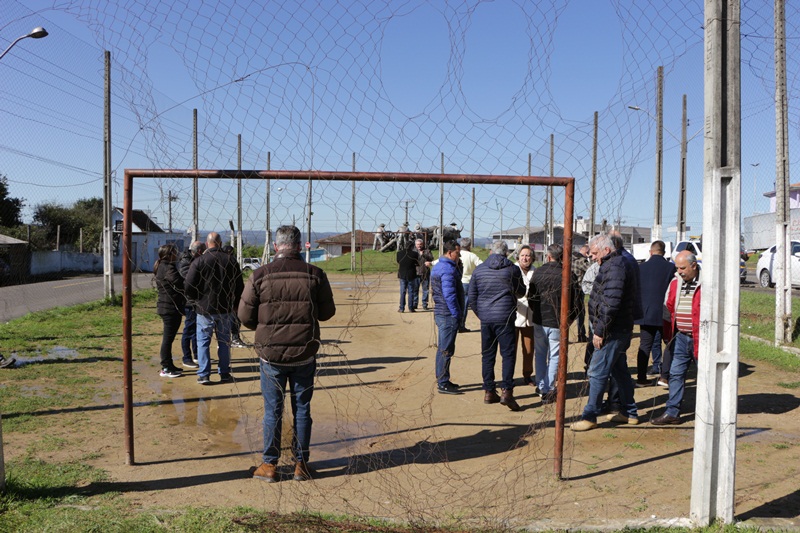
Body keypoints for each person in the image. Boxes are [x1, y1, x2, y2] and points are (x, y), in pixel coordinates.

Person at [239, 225, 336, 482]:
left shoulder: (260, 275)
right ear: (299, 244)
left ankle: (269, 465)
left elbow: (244, 316)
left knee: (273, 410)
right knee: (302, 409)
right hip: (304, 352)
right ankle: (301, 465)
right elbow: (327, 313)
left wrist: (263, 326)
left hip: (271, 355)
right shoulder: (315, 274)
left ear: (275, 247)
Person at [572, 233, 640, 431]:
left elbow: (611, 303)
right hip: (617, 328)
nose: (591, 257)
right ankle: (630, 412)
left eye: (594, 253)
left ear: (606, 250)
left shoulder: (615, 267)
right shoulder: (613, 265)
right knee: (619, 371)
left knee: (596, 371)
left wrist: (600, 331)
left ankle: (590, 416)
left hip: (612, 330)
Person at [469, 240, 526, 411]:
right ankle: (507, 391)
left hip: (486, 319)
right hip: (505, 317)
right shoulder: (512, 269)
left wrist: (481, 314)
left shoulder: (479, 270)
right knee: (508, 355)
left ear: (491, 252)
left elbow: (472, 296)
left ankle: (488, 390)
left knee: (488, 355)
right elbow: (522, 291)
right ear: (506, 252)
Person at [185, 232, 244, 385]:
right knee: (224, 342)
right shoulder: (230, 260)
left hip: (204, 308)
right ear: (220, 243)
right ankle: (224, 372)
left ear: (207, 243)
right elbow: (239, 285)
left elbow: (189, 284)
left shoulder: (200, 260)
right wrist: (236, 303)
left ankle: (204, 374)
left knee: (203, 341)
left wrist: (196, 300)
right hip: (225, 308)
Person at [652, 251, 701, 425]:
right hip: (680, 337)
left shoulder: (706, 283)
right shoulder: (675, 282)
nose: (678, 271)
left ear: (694, 266)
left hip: (701, 339)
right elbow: (668, 308)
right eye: (677, 267)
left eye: (682, 268)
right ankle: (672, 412)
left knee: (705, 375)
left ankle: (707, 412)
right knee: (675, 374)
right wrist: (668, 335)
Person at [529, 243, 582, 402]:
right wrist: (570, 319)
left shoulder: (538, 272)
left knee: (540, 354)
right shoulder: (567, 274)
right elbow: (577, 301)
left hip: (540, 320)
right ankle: (548, 388)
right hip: (558, 321)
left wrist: (535, 313)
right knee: (554, 356)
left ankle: (541, 385)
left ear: (548, 256)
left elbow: (530, 297)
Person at [634, 240, 676, 385]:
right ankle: (664, 376)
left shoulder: (641, 268)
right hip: (665, 312)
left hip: (646, 312)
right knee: (669, 343)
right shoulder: (671, 268)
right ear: (664, 253)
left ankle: (641, 377)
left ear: (650, 252)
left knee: (645, 345)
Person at [431, 239, 465, 394]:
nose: (459, 256)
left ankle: (443, 379)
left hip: (442, 312)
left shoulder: (440, 266)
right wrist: (456, 313)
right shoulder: (447, 269)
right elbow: (449, 294)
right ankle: (443, 383)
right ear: (450, 252)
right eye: (457, 253)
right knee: (446, 349)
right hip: (447, 314)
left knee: (443, 348)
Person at [153, 244, 185, 378]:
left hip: (167, 306)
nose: (176, 255)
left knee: (168, 339)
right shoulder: (168, 267)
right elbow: (180, 283)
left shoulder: (161, 266)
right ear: (169, 254)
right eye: (174, 252)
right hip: (170, 307)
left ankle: (169, 365)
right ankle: (166, 367)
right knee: (167, 339)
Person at [178, 240, 205, 369]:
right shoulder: (185, 262)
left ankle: (197, 355)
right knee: (188, 330)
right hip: (189, 301)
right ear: (199, 252)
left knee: (195, 329)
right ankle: (186, 357)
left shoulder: (194, 260)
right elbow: (189, 279)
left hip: (196, 300)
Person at [514, 245, 536, 386]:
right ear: (518, 257)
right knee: (511, 348)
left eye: (528, 255)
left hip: (530, 316)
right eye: (522, 255)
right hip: (514, 314)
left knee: (528, 348)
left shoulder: (536, 272)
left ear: (532, 258)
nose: (525, 258)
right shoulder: (512, 270)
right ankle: (508, 375)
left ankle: (527, 375)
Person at [221, 244, 249, 349]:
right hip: (232, 295)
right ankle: (235, 338)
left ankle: (224, 340)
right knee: (235, 317)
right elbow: (238, 281)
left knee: (224, 319)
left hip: (221, 296)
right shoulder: (232, 262)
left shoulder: (219, 261)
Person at [458, 237, 483, 333]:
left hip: (458, 281)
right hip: (468, 282)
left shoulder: (457, 254)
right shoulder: (472, 256)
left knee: (457, 304)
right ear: (469, 246)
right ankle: (461, 325)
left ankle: (457, 325)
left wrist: (431, 263)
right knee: (465, 305)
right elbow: (482, 265)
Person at [571, 245, 591, 342]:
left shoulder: (568, 259)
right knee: (581, 313)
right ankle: (581, 334)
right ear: (587, 252)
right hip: (579, 290)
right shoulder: (582, 261)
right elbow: (592, 271)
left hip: (568, 290)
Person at [396, 240, 419, 312]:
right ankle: (411, 308)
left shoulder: (399, 253)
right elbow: (417, 263)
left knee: (402, 291)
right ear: (412, 246)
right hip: (411, 274)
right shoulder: (414, 254)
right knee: (411, 291)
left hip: (402, 274)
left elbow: (398, 261)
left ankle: (401, 308)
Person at [414, 238, 434, 310]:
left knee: (425, 290)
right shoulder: (413, 251)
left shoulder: (427, 251)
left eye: (420, 244)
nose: (419, 246)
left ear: (422, 244)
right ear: (415, 245)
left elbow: (431, 258)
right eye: (418, 244)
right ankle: (414, 303)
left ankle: (424, 304)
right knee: (415, 289)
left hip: (425, 273)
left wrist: (424, 255)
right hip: (416, 273)